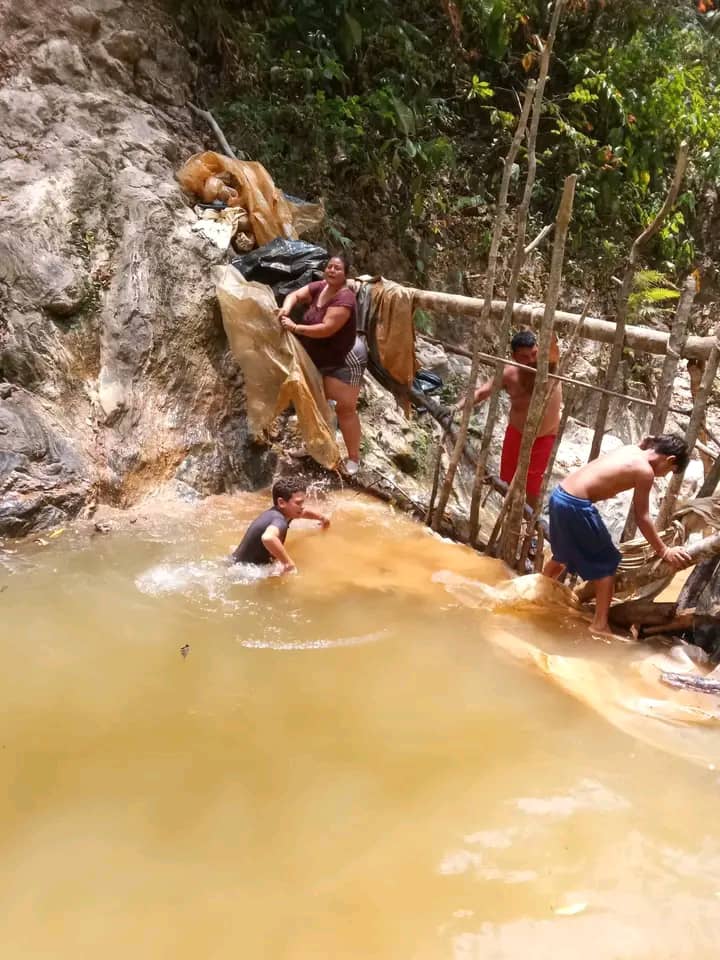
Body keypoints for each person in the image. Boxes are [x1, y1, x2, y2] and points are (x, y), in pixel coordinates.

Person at [543, 435, 692, 637]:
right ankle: (599, 624)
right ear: (670, 460)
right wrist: (664, 550)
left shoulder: (632, 449)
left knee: (562, 555)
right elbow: (642, 517)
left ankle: (538, 589)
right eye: (669, 471)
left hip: (560, 495)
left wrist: (646, 442)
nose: (663, 476)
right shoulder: (645, 471)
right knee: (608, 562)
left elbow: (640, 447)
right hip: (576, 506)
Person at [278, 253, 367, 476]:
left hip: (346, 359)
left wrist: (295, 328)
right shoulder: (320, 287)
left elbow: (327, 328)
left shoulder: (345, 299)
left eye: (338, 268)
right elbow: (295, 295)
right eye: (329, 267)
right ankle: (315, 447)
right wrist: (285, 310)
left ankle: (354, 459)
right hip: (320, 357)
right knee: (315, 402)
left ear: (346, 274)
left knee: (345, 409)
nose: (332, 271)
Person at [456, 330, 561, 508]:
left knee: (533, 486)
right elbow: (481, 393)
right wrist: (456, 407)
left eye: (534, 353)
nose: (531, 360)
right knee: (507, 480)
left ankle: (528, 527)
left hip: (544, 438)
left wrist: (544, 324)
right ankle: (508, 518)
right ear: (514, 357)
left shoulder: (550, 366)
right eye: (524, 357)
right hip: (517, 434)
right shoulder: (509, 374)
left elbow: (552, 345)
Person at [231, 479, 329, 574]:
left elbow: (303, 513)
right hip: (244, 571)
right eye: (298, 503)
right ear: (281, 502)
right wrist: (288, 564)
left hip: (236, 562)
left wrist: (322, 518)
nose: (302, 506)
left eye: (303, 502)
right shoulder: (279, 520)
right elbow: (268, 538)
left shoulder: (284, 512)